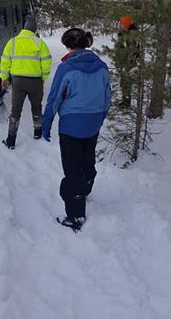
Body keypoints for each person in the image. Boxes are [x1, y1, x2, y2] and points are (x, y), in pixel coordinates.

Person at [42, 28, 111, 232]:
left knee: (71, 167)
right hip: (93, 122)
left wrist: (46, 124)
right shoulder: (102, 66)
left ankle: (75, 215)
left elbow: (55, 98)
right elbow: (107, 96)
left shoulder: (67, 68)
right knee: (87, 157)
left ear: (68, 46)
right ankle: (86, 184)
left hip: (71, 124)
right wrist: (100, 116)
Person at [0, 15, 52, 149]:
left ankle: (11, 140)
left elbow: (5, 61)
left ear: (24, 28)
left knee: (16, 110)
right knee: (36, 107)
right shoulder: (40, 43)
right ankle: (38, 132)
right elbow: (47, 62)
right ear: (34, 30)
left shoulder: (13, 42)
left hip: (18, 81)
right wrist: (44, 77)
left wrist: (4, 77)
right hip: (35, 81)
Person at [114, 15, 139, 108]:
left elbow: (133, 51)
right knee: (123, 82)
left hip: (128, 63)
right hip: (123, 61)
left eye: (122, 23)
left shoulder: (132, 35)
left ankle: (126, 102)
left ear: (126, 24)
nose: (120, 24)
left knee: (127, 82)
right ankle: (124, 100)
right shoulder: (123, 33)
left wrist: (128, 64)